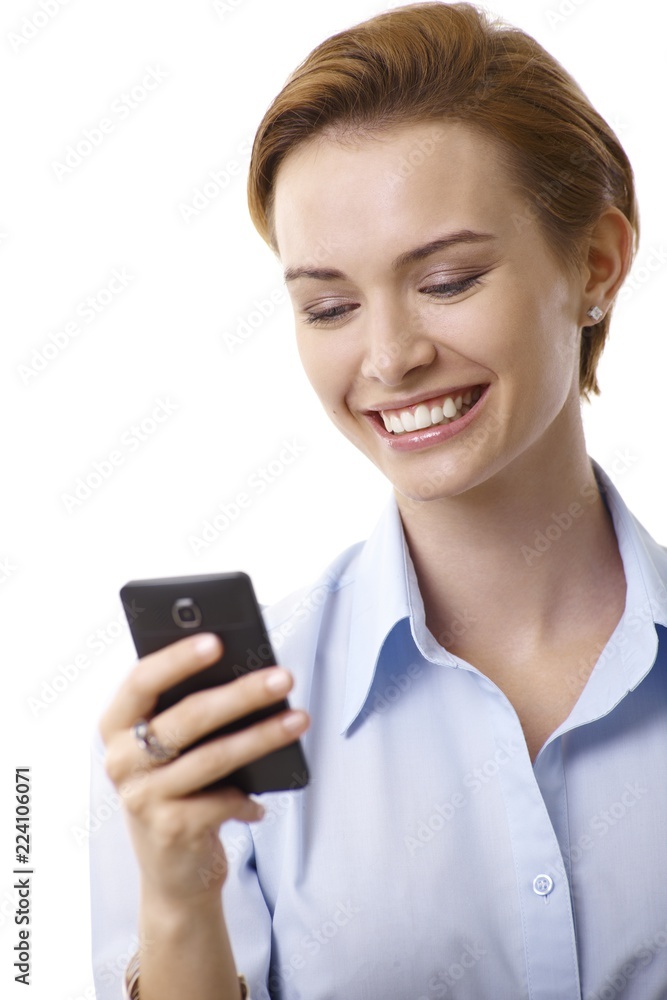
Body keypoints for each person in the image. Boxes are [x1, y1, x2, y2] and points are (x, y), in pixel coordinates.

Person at [90, 3, 667, 998]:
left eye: (446, 280)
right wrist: (181, 901)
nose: (390, 358)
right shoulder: (208, 732)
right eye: (329, 306)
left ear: (596, 264)